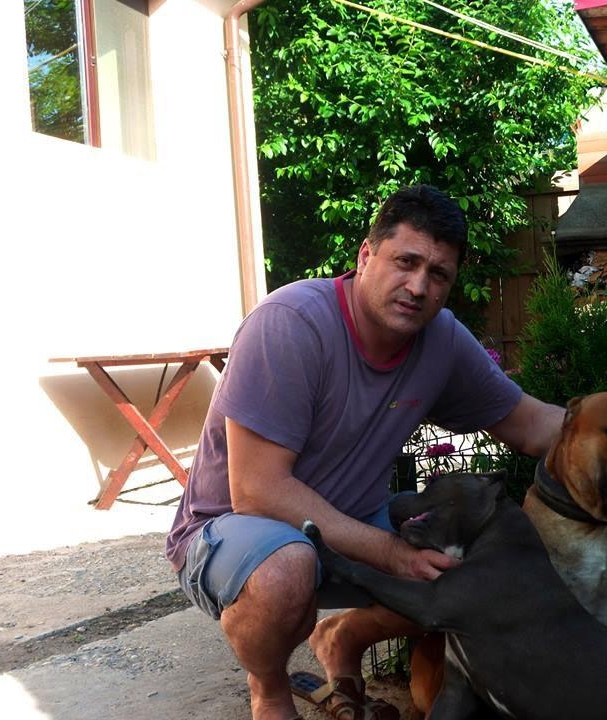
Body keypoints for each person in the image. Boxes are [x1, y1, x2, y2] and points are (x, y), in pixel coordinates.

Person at [166, 184, 565, 720]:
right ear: (366, 255)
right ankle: (270, 690)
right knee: (288, 569)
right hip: (234, 529)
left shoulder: (440, 340)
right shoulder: (290, 323)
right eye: (406, 262)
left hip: (351, 523)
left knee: (472, 566)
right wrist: (391, 553)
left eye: (438, 274)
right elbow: (257, 490)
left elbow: (532, 424)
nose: (418, 286)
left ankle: (343, 639)